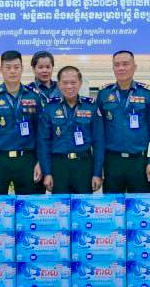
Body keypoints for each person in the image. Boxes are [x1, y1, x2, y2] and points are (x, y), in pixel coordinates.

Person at [0, 50, 46, 195]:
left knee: (30, 205)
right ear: (1, 69)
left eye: (16, 67)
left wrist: (41, 162)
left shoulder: (34, 96)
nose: (12, 71)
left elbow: (41, 134)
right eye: (8, 67)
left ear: (22, 68)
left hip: (27, 160)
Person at [95, 50, 150, 193]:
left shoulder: (147, 93)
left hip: (139, 161)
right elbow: (99, 133)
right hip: (112, 161)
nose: (121, 68)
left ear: (134, 67)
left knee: (139, 204)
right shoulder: (104, 94)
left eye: (125, 64)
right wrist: (98, 168)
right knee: (112, 204)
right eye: (117, 65)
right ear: (113, 68)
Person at [38, 66, 104, 195]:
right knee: (60, 205)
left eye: (73, 82)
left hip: (84, 165)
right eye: (65, 82)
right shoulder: (50, 108)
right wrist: (47, 173)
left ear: (80, 83)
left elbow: (99, 142)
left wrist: (97, 173)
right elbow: (43, 142)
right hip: (58, 166)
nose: (69, 86)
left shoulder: (91, 106)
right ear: (58, 84)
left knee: (83, 205)